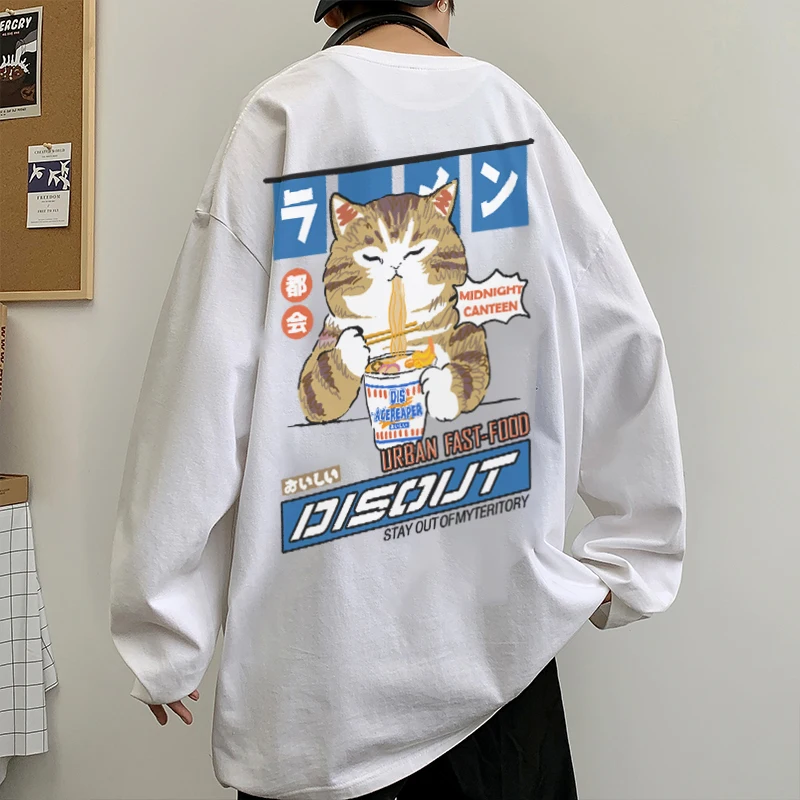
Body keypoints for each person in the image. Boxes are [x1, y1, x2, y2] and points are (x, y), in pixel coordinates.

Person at [109, 2, 686, 799]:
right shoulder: (512, 118)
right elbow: (620, 335)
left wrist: (163, 626)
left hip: (320, 699)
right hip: (501, 680)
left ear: (333, 6)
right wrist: (636, 552)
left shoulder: (284, 117)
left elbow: (199, 384)